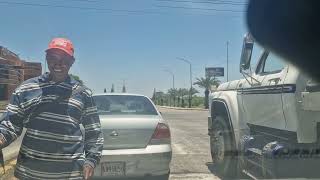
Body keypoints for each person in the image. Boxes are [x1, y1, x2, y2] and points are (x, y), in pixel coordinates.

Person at [0, 38, 104, 180]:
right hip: (30, 173)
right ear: (47, 58)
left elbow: (94, 132)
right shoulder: (26, 89)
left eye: (64, 59)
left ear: (72, 62)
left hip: (70, 174)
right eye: (53, 58)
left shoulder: (82, 93)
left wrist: (91, 161)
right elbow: (11, 124)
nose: (58, 63)